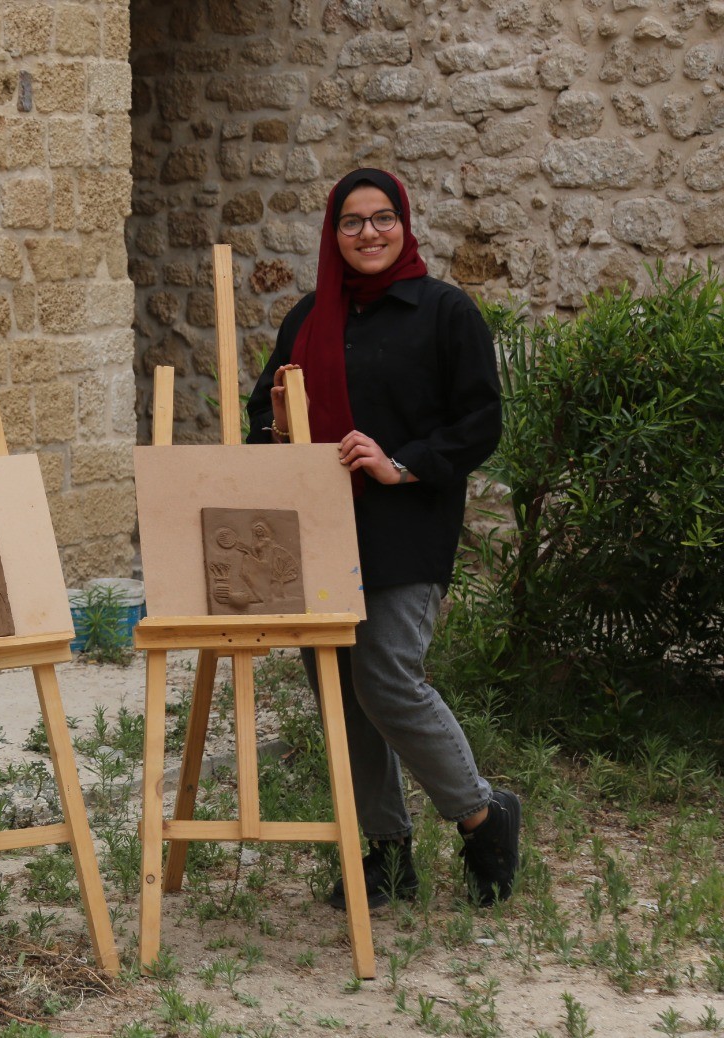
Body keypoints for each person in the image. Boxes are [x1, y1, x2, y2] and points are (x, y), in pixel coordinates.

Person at [246, 167, 521, 908]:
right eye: (352, 222)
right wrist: (280, 426)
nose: (368, 233)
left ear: (404, 224)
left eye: (382, 218)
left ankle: (482, 815)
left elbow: (479, 422)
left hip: (407, 525)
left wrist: (398, 464)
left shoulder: (444, 311)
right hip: (318, 532)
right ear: (333, 234)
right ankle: (387, 854)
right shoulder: (309, 317)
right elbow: (262, 417)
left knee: (386, 677)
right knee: (338, 689)